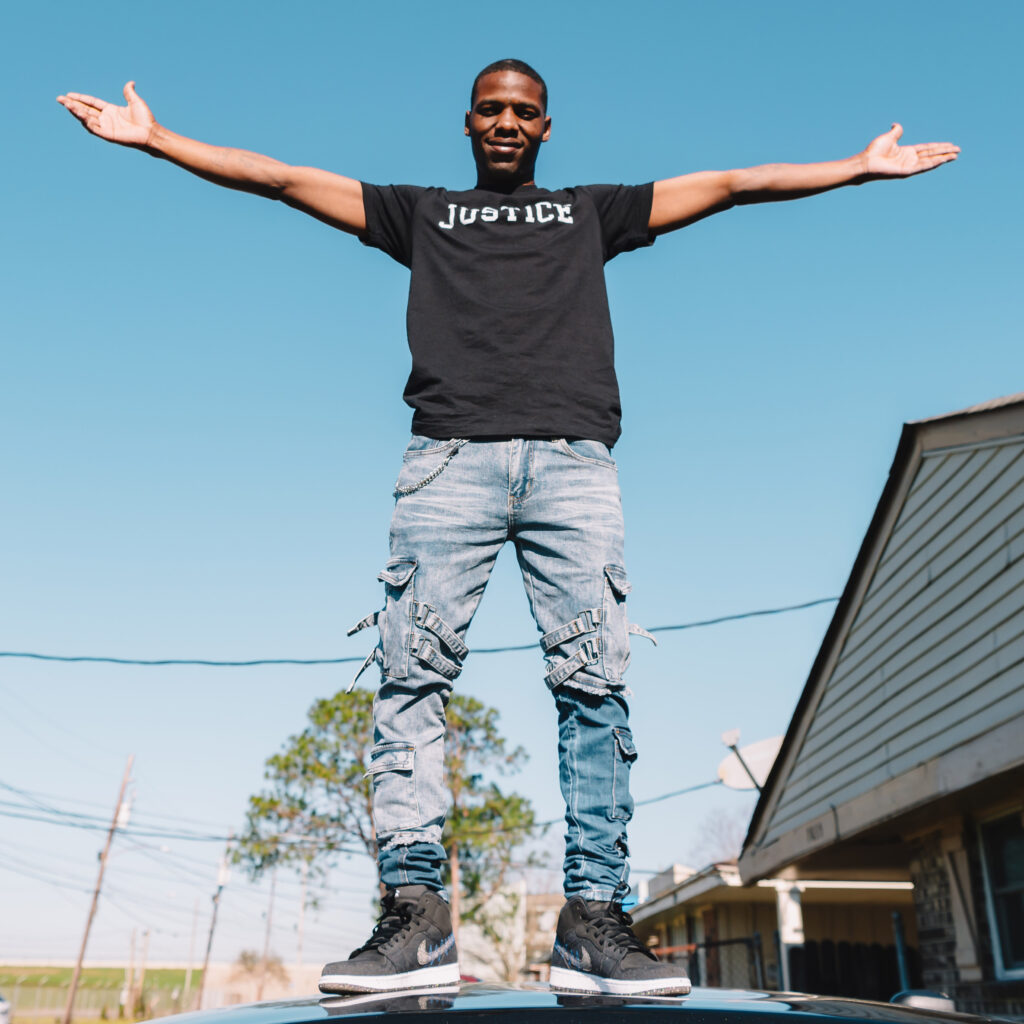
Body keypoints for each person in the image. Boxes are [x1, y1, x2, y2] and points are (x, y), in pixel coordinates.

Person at [58, 59, 958, 997]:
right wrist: (159, 141)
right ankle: (416, 917)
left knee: (595, 686)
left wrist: (854, 167)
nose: (505, 122)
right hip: (448, 464)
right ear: (467, 121)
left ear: (546, 126)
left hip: (575, 468)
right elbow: (281, 178)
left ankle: (594, 919)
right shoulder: (423, 215)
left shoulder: (588, 213)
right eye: (490, 109)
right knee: (411, 679)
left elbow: (729, 186)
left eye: (522, 111)